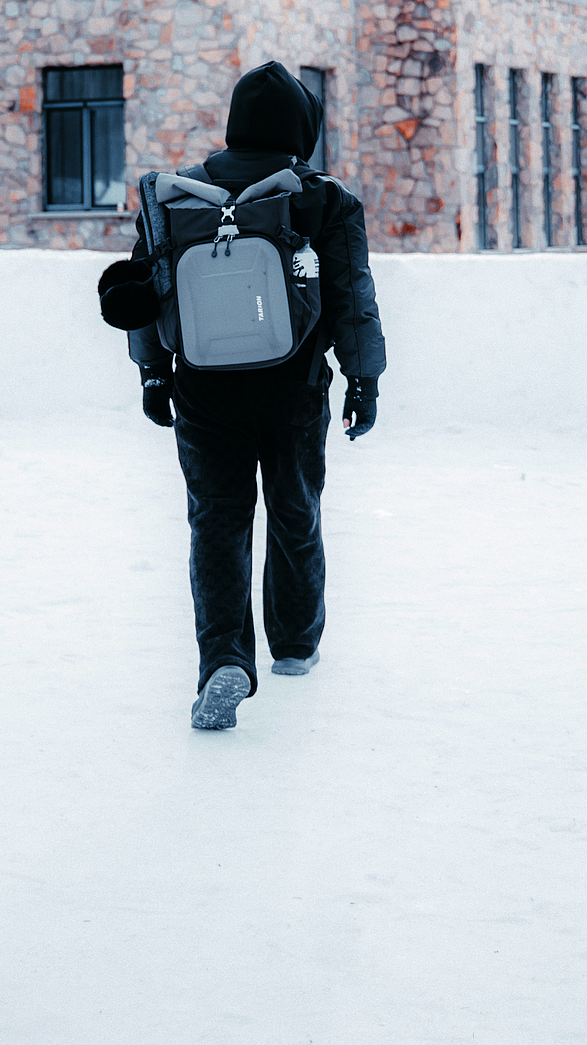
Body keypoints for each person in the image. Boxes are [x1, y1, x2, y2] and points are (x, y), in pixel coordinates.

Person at [125, 60, 386, 732]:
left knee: (217, 522)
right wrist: (364, 379)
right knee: (295, 510)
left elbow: (148, 287)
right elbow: (353, 297)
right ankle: (295, 645)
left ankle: (224, 662)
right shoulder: (322, 197)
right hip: (293, 386)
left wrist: (154, 375)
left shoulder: (183, 193)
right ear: (300, 128)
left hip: (205, 385)